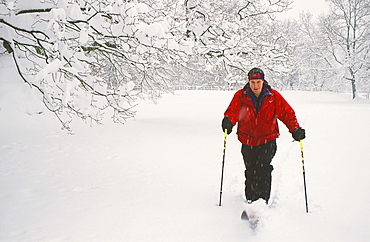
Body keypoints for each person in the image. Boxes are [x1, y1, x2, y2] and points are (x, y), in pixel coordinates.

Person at [222, 67, 305, 205]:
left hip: (267, 140)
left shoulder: (273, 96)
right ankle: (251, 200)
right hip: (247, 140)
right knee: (250, 171)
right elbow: (233, 111)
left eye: (258, 82)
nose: (255, 85)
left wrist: (295, 129)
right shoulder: (241, 96)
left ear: (263, 81)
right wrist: (228, 121)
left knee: (263, 170)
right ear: (249, 82)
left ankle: (261, 201)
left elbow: (287, 113)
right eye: (253, 82)